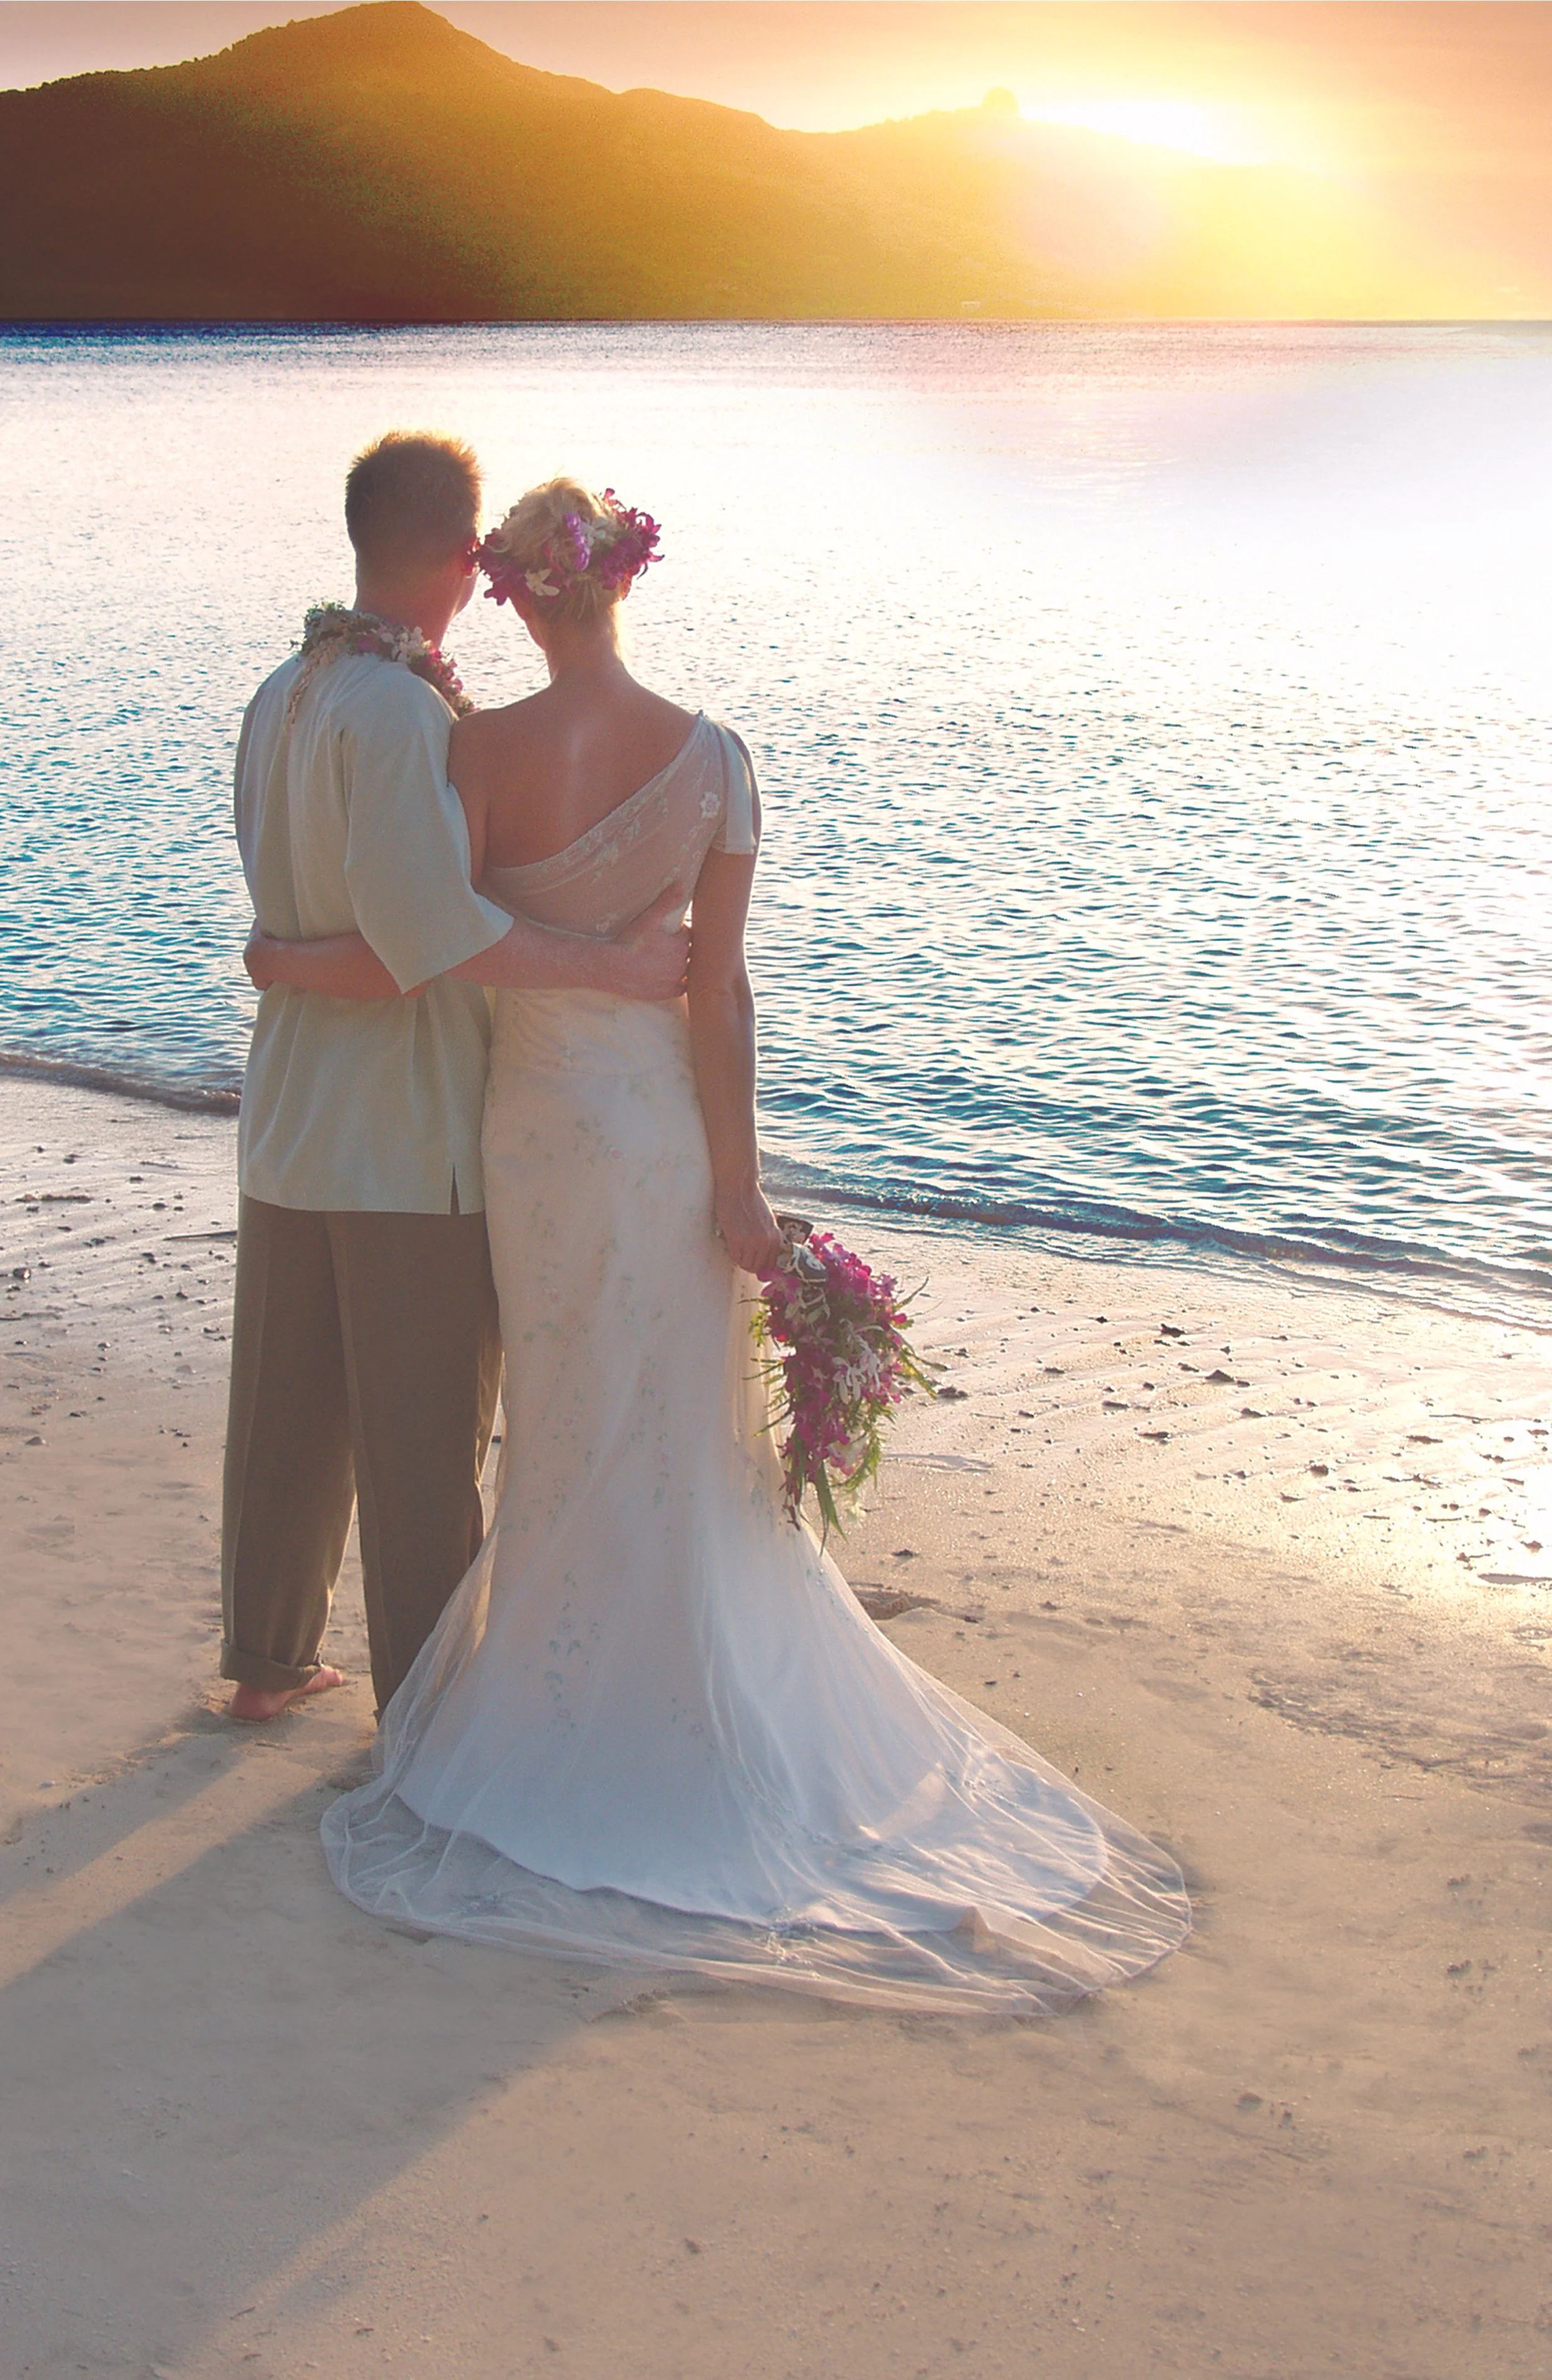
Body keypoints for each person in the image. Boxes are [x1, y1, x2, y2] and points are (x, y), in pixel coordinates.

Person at [246, 476, 1189, 2013]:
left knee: (556, 1424)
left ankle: (553, 1711)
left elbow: (451, 946)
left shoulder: (471, 753)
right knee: (680, 1429)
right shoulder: (717, 761)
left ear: (516, 597)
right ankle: (681, 1694)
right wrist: (741, 1194)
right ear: (621, 586)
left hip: (531, 1138)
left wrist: (284, 956)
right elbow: (720, 999)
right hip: (662, 1142)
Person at [224, 436, 688, 1725]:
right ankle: (425, 1711)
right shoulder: (404, 712)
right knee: (422, 1435)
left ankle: (265, 1662)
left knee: (286, 1411)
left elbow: (306, 913)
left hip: (290, 1121)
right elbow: (426, 949)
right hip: (403, 1134)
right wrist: (614, 964)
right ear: (459, 544)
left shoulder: (283, 692)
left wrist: (277, 959)